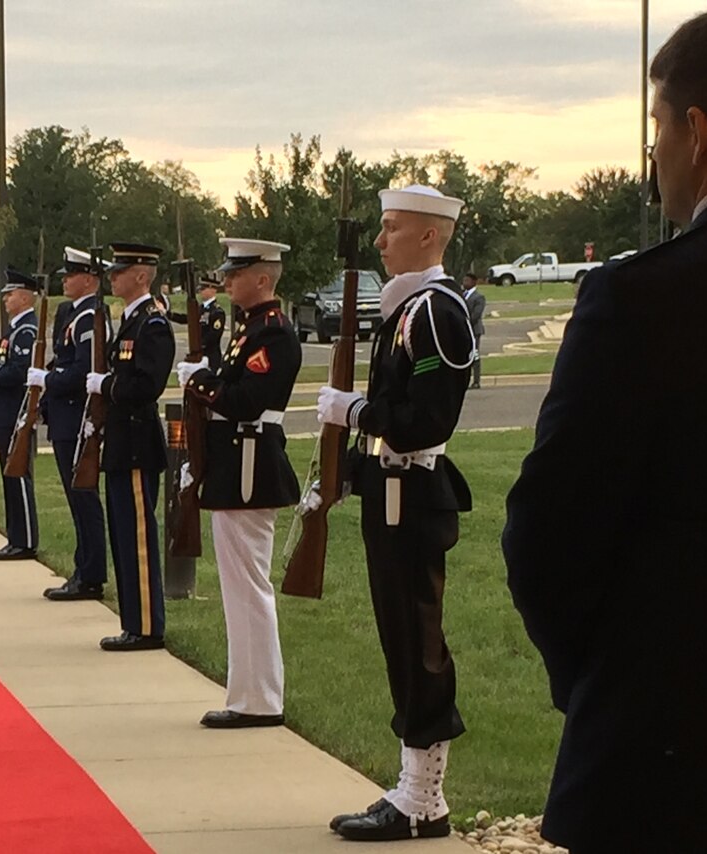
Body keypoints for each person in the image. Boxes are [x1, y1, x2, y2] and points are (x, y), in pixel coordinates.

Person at [502, 6, 707, 853]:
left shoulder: (640, 301)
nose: (656, 155)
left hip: (673, 759)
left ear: (696, 133)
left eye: (656, 127)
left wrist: (606, 679)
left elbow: (549, 537)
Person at [316, 185, 475, 842]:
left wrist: (353, 411)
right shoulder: (406, 311)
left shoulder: (435, 313)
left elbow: (426, 420)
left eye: (393, 229)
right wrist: (339, 477)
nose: (382, 242)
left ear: (430, 237)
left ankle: (422, 799)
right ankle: (413, 789)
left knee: (418, 644)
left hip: (413, 493)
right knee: (399, 640)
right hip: (389, 491)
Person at [176, 238, 300, 728]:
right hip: (234, 464)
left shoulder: (272, 334)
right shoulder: (248, 330)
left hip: (250, 466)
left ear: (263, 279)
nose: (226, 281)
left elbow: (245, 401)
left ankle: (260, 699)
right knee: (239, 587)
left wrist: (201, 381)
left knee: (249, 587)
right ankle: (248, 693)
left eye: (236, 273)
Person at [85, 243, 175, 651]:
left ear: (142, 275)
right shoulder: (129, 320)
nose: (112, 277)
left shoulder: (152, 323)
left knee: (137, 537)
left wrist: (106, 385)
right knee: (122, 535)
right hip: (122, 443)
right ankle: (133, 621)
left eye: (120, 270)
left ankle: (146, 626)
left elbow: (145, 386)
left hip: (138, 442)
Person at [30, 247, 109, 601]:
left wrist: (48, 379)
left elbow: (82, 371)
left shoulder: (92, 316)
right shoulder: (76, 314)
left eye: (72, 274)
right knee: (76, 498)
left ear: (89, 279)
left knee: (83, 497)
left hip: (78, 416)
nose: (65, 279)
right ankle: (84, 568)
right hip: (65, 416)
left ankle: (91, 574)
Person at [0, 269, 41, 561]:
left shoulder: (26, 330)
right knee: (9, 474)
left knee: (18, 474)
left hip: (15, 412)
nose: (6, 298)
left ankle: (25, 540)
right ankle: (16, 537)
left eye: (11, 294)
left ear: (25, 298)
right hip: (4, 412)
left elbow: (20, 372)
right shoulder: (14, 329)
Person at [167, 273, 226, 365]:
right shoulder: (200, 308)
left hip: (210, 356)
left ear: (213, 289)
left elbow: (214, 335)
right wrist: (168, 314)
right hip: (199, 353)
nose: (200, 292)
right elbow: (187, 319)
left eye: (203, 289)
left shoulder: (217, 312)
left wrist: (199, 345)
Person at [461, 273, 485, 389]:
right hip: (463, 331)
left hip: (474, 331)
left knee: (474, 356)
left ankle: (476, 381)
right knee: (464, 356)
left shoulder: (478, 297)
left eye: (467, 281)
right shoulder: (462, 295)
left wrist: (465, 324)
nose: (465, 283)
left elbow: (476, 315)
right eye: (464, 280)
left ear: (474, 282)